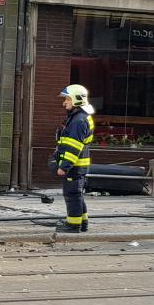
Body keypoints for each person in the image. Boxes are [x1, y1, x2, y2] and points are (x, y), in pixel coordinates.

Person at [54, 84, 95, 233]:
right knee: (77, 194)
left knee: (72, 194)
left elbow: (73, 147)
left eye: (67, 99)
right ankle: (83, 223)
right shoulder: (79, 117)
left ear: (77, 100)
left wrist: (64, 166)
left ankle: (73, 225)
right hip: (78, 165)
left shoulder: (78, 121)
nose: (64, 102)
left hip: (74, 166)